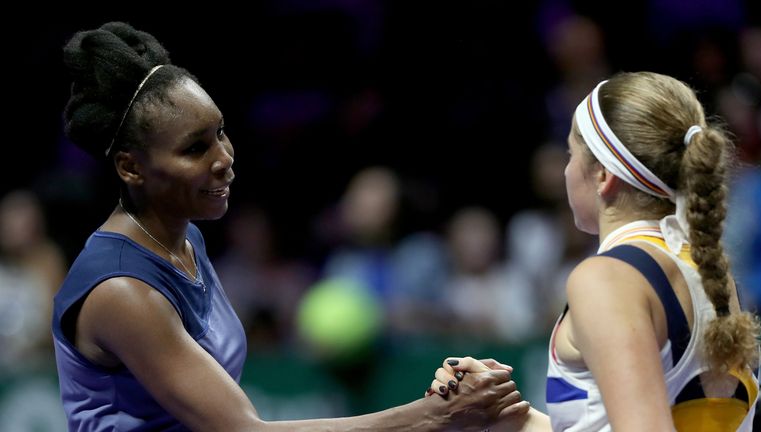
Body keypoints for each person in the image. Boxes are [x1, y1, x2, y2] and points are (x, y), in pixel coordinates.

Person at [52, 21, 527, 431]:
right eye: (194, 149)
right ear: (130, 167)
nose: (224, 159)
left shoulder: (185, 238)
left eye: (220, 132)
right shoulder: (122, 291)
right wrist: (435, 416)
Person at [430, 71, 761, 431]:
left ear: (603, 175)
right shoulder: (711, 273)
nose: (566, 170)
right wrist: (509, 416)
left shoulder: (606, 278)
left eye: (571, 154)